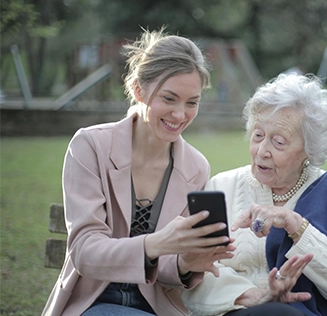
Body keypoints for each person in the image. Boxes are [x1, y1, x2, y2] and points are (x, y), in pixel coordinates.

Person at [42, 28, 235, 316]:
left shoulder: (196, 167)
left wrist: (185, 263)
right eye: (169, 99)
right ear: (138, 90)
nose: (180, 115)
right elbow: (84, 250)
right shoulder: (90, 145)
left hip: (157, 307)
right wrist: (155, 243)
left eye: (191, 102)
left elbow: (168, 268)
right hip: (93, 301)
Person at [182, 73, 327, 316]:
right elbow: (195, 268)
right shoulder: (222, 186)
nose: (262, 151)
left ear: (309, 149)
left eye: (278, 142)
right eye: (258, 135)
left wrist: (295, 224)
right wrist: (251, 296)